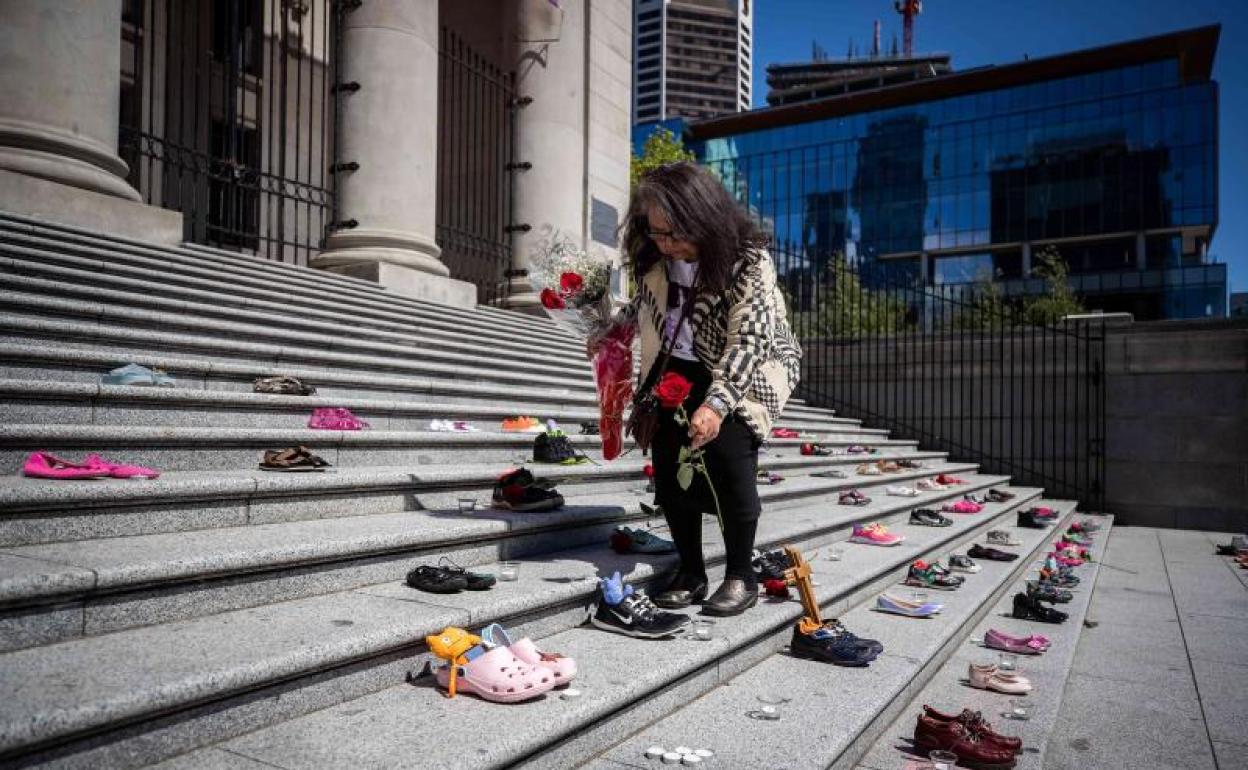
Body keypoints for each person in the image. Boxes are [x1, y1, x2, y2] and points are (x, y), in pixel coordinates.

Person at [588, 162, 802, 616]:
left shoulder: (748, 261)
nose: (665, 243)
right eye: (657, 233)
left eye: (674, 234)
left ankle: (741, 576)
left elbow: (750, 338)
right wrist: (609, 328)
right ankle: (690, 570)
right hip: (675, 365)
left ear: (701, 218)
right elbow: (649, 309)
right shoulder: (653, 256)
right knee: (669, 470)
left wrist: (718, 403)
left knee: (728, 461)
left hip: (741, 367)